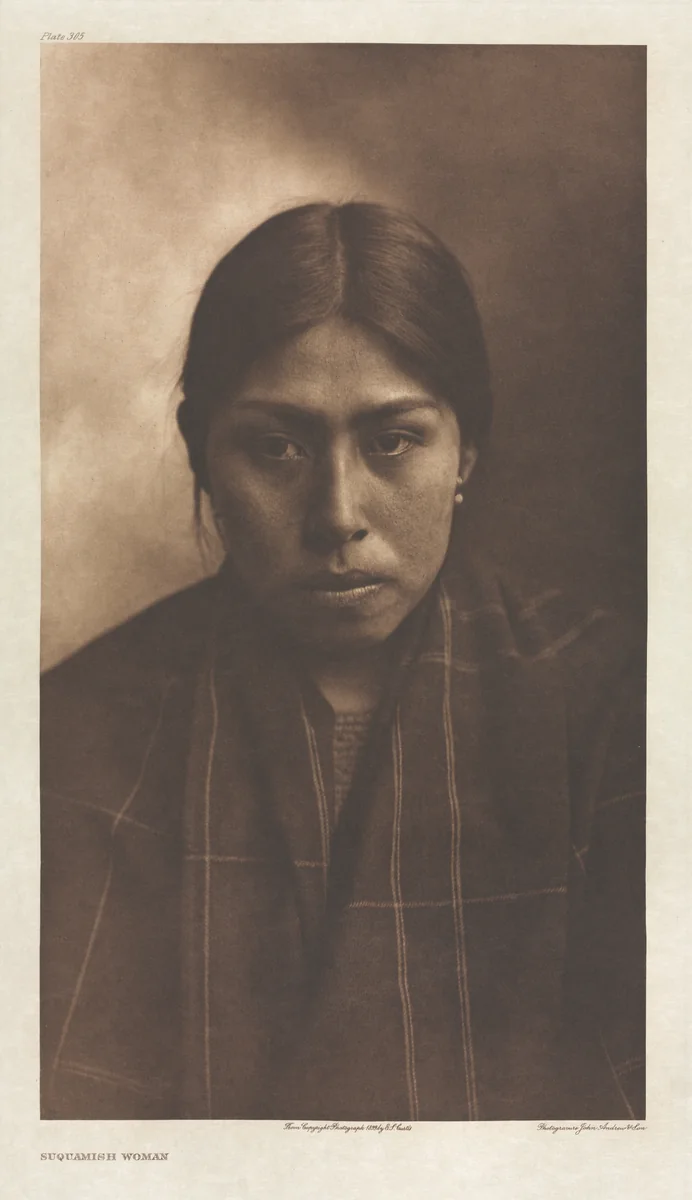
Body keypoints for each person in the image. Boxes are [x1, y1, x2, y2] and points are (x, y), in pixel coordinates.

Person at [40, 201, 645, 1121]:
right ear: (203, 454)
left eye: (392, 441)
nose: (336, 515)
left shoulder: (616, 707)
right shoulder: (69, 739)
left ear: (466, 450)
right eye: (275, 447)